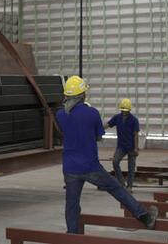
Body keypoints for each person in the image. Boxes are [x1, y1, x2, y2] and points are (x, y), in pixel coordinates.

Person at [55, 76, 157, 234]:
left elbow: (65, 126)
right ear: (83, 95)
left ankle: (72, 235)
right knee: (116, 188)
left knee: (72, 203)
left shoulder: (61, 115)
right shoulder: (92, 113)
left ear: (66, 95)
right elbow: (98, 136)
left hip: (70, 168)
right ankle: (144, 217)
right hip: (90, 166)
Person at [105, 98, 140, 191]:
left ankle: (129, 186)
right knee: (115, 161)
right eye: (123, 111)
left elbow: (136, 134)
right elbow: (108, 124)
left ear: (129, 110)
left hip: (131, 147)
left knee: (131, 167)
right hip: (121, 146)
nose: (124, 112)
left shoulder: (134, 120)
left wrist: (136, 148)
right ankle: (121, 183)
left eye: (126, 111)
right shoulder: (117, 118)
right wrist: (98, 130)